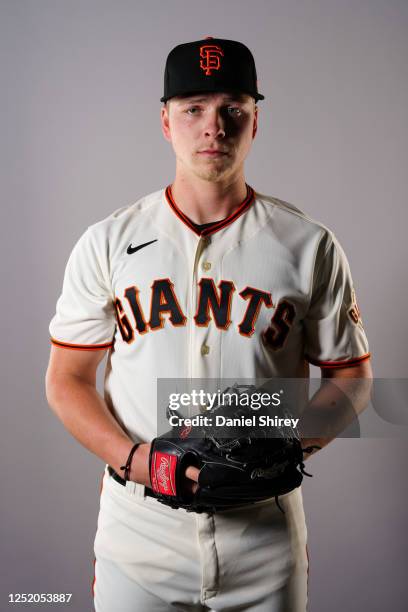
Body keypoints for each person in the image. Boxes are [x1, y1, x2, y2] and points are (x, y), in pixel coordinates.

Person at [45, 37, 372, 611]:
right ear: (165, 122)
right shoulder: (108, 243)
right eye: (193, 108)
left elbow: (353, 377)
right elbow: (67, 379)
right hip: (138, 533)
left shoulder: (309, 244)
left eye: (232, 109)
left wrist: (289, 447)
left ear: (255, 122)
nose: (213, 127)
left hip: (263, 535)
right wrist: (137, 462)